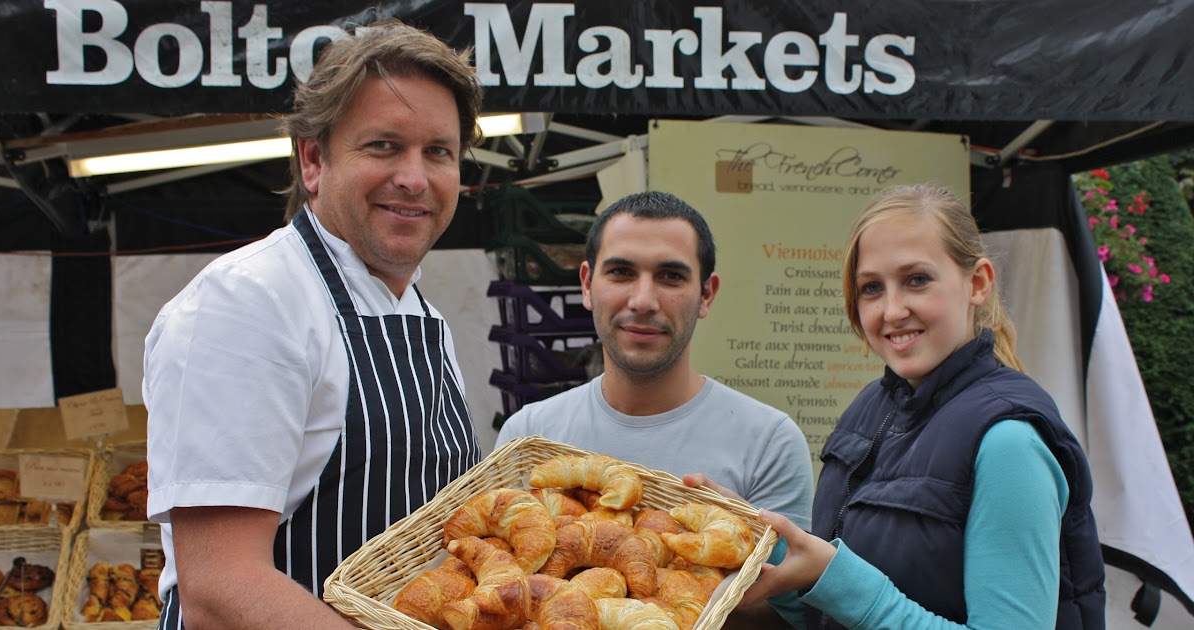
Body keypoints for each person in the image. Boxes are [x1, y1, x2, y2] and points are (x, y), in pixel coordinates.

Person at [143, 19, 484, 629]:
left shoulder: (422, 318)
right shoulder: (247, 305)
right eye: (383, 145)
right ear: (313, 160)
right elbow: (220, 588)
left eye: (438, 151)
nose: (414, 177)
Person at [739, 184, 1105, 629]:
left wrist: (839, 580)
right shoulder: (869, 410)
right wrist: (752, 537)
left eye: (917, 280)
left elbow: (856, 597)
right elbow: (827, 614)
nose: (892, 310)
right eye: (872, 288)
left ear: (977, 283)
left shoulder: (1010, 442)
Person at [495, 190, 815, 627]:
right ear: (587, 284)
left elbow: (794, 614)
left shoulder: (769, 440)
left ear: (706, 294)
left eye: (670, 277)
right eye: (622, 272)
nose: (643, 300)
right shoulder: (529, 433)